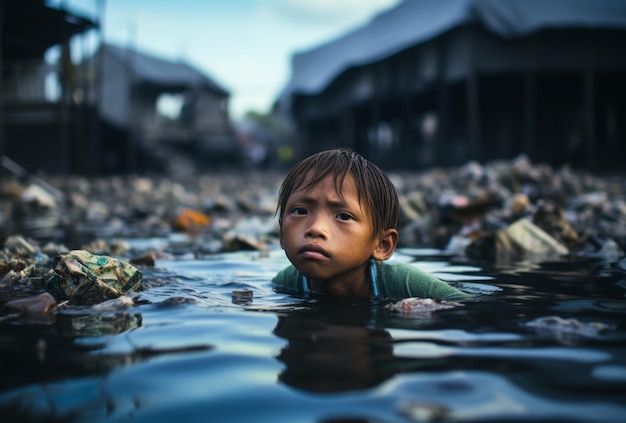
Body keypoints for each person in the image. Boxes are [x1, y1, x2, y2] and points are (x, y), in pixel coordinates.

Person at [272, 148, 469, 301]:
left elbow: (466, 308)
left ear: (382, 245)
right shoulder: (286, 282)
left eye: (343, 216)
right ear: (282, 234)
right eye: (300, 211)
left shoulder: (405, 283)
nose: (315, 228)